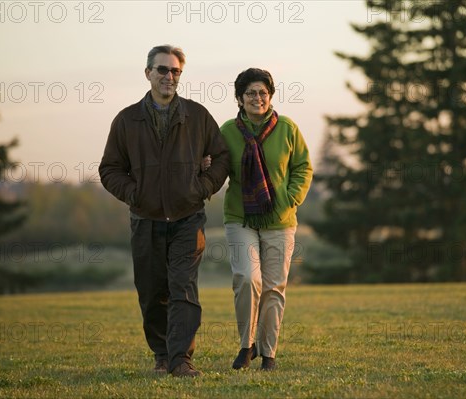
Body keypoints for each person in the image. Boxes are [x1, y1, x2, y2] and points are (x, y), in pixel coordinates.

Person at [99, 45, 229, 378]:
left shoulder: (197, 116)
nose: (169, 77)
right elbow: (110, 168)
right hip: (146, 220)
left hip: (189, 218)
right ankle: (161, 352)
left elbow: (222, 157)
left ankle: (181, 359)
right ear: (148, 73)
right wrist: (133, 194)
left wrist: (202, 187)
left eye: (175, 71)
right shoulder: (127, 120)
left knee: (183, 287)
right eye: (162, 70)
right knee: (153, 291)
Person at [219, 68, 313, 371]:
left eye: (262, 92)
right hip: (240, 217)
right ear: (239, 98)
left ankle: (268, 352)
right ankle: (247, 346)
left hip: (280, 219)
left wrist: (291, 198)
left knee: (274, 286)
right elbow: (215, 166)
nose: (257, 98)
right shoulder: (227, 132)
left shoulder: (287, 128)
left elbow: (303, 167)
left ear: (270, 96)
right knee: (247, 279)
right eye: (250, 93)